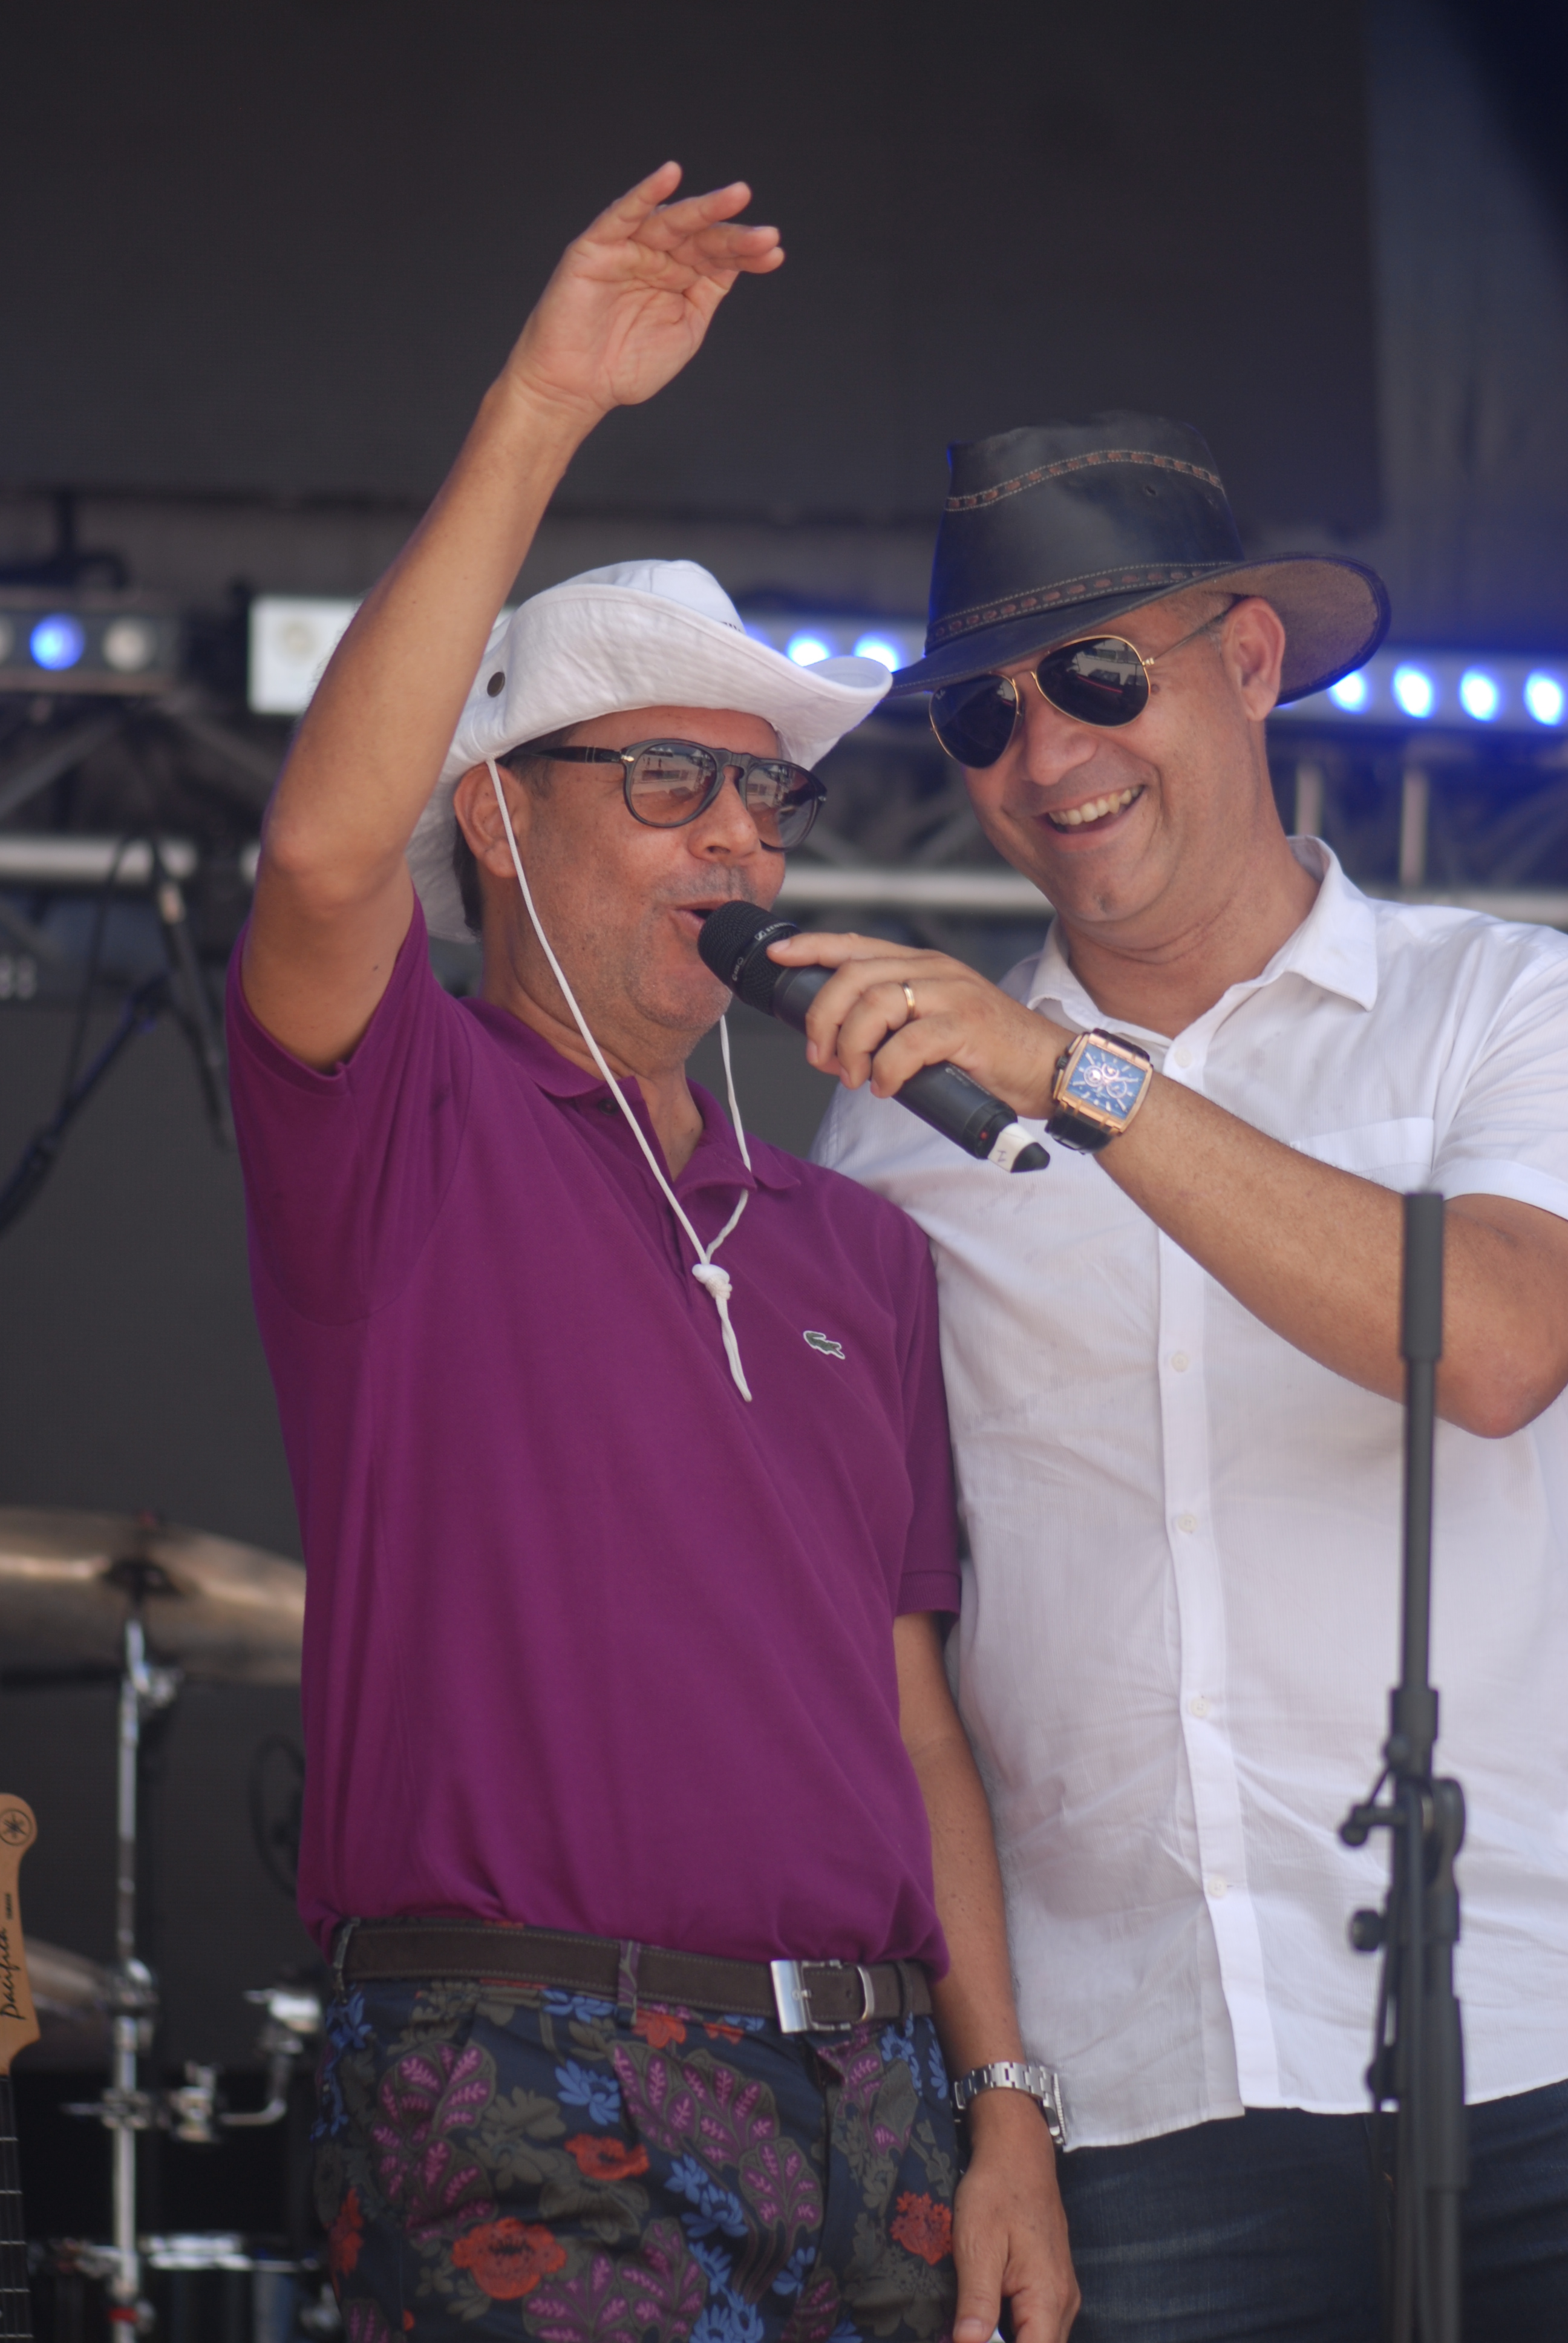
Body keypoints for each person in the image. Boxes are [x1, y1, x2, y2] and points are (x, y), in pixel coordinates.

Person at [229, 175, 1078, 2343]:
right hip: (525, 2064)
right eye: (674, 777)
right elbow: (323, 854)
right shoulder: (407, 1118)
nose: (739, 838)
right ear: (498, 814)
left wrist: (1002, 2109)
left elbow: (913, 1721)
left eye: (770, 800)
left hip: (874, 2095)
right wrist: (543, 405)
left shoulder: (855, 1245)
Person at [794, 414, 1568, 2341]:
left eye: (1097, 674)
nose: (1048, 753)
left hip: (1536, 2031)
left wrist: (1085, 1082)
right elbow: (892, 1661)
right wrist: (998, 2100)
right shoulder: (888, 1140)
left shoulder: (1505, 1005)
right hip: (1137, 2095)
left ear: (1251, 660)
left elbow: (1494, 1345)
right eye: (981, 715)